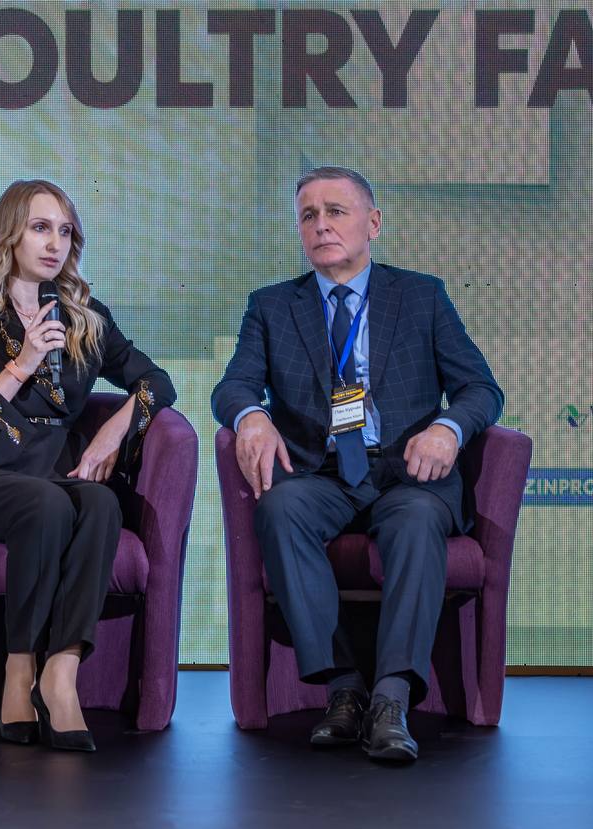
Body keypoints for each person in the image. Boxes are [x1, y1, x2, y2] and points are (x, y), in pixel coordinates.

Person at [212, 166, 503, 762]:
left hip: (405, 473)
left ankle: (391, 699)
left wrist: (447, 429)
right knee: (280, 508)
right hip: (319, 473)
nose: (321, 225)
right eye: (309, 215)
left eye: (336, 211)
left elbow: (480, 389)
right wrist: (250, 416)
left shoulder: (421, 296)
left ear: (372, 223)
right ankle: (344, 687)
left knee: (417, 520)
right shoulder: (272, 306)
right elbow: (233, 386)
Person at [0, 179, 176, 751]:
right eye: (40, 228)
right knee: (47, 503)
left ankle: (61, 674)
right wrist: (22, 363)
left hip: (51, 474)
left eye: (64, 232)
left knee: (101, 501)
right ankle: (19, 669)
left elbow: (156, 382)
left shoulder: (85, 319)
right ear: (9, 235)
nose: (54, 244)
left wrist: (115, 429)